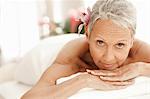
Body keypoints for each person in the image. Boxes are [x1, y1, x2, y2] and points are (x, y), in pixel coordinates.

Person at [21, 0, 150, 98]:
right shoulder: (74, 57)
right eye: (100, 42)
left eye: (120, 45)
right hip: (41, 55)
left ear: (132, 41)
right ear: (87, 35)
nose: (108, 57)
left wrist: (141, 68)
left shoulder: (139, 51)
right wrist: (83, 80)